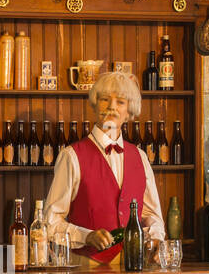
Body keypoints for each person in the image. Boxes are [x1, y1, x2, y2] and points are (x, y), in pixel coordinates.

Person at [44, 70, 165, 263]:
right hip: (86, 266)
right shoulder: (71, 156)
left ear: (129, 112)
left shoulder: (141, 158)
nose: (112, 107)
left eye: (120, 102)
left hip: (134, 265)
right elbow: (50, 223)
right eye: (105, 100)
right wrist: (86, 236)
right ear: (94, 104)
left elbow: (152, 216)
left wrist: (155, 237)